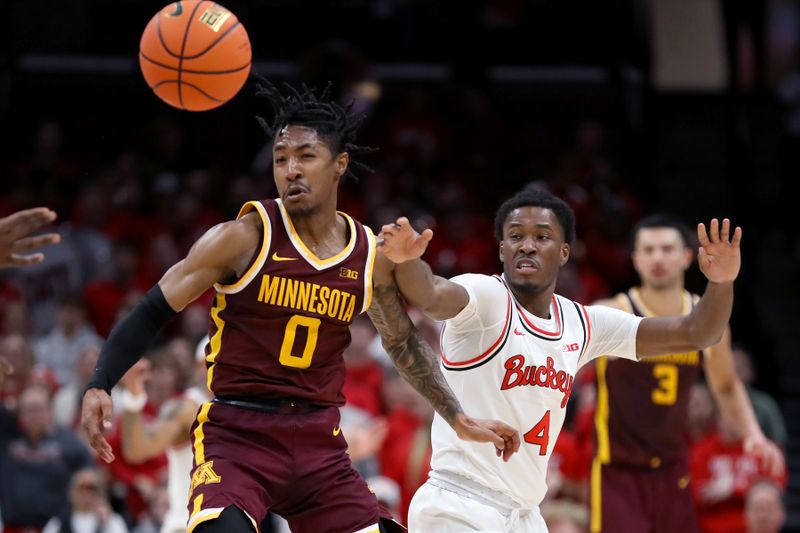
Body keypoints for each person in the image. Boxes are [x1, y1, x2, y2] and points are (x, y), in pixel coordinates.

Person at [81, 80, 518, 533]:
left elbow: (403, 341)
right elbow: (154, 307)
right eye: (281, 159)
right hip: (237, 435)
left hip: (319, 444)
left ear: (339, 165)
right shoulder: (243, 238)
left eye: (306, 156)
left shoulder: (369, 256)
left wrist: (457, 416)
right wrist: (101, 381)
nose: (291, 169)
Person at [378, 186, 749, 532]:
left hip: (524, 514)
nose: (527, 245)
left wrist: (722, 282)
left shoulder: (583, 324)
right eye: (516, 236)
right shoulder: (485, 296)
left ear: (565, 252)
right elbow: (429, 293)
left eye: (541, 236)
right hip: (460, 505)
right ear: (502, 249)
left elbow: (695, 333)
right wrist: (408, 262)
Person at [590, 214, 783, 533]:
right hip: (619, 471)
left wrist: (753, 433)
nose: (658, 258)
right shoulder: (614, 312)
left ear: (686, 257)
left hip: (675, 468)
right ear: (636, 260)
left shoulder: (705, 318)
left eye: (667, 249)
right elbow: (562, 368)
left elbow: (725, 384)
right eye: (648, 250)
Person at [118, 338, 211, 533]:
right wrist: (134, 398)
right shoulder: (188, 408)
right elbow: (136, 449)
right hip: (186, 523)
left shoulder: (246, 410)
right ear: (200, 367)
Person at [42, 466, 129, 533]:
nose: (86, 494)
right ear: (71, 492)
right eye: (81, 488)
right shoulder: (58, 523)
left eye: (91, 488)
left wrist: (107, 523)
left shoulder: (113, 520)